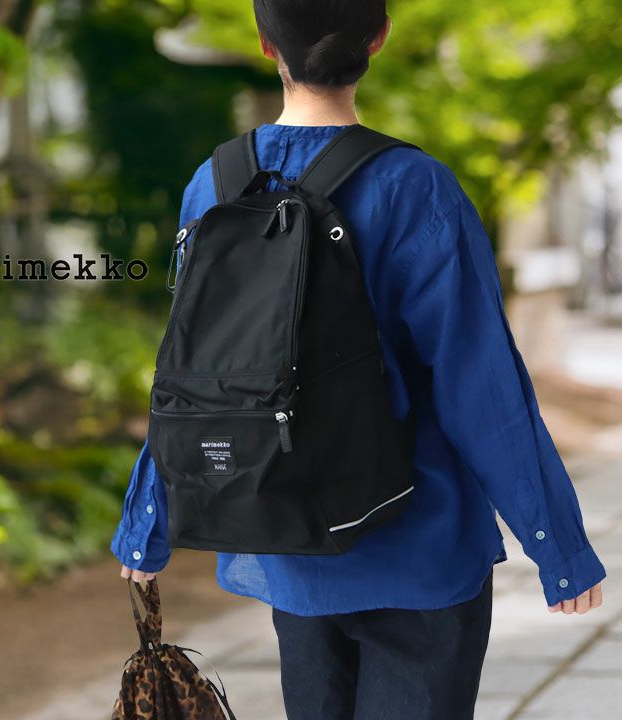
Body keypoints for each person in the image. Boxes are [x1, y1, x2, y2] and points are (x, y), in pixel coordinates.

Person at [111, 1, 606, 718]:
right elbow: (480, 384)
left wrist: (146, 525)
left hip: (286, 542)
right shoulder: (414, 185)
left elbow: (193, 370)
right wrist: (557, 546)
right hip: (418, 545)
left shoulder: (213, 184)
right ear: (378, 37)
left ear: (265, 43)